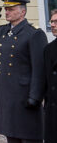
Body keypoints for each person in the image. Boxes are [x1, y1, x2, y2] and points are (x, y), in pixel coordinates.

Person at [0, 0, 47, 143]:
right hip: (6, 95)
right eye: (6, 9)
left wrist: (35, 97)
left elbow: (39, 68)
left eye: (11, 9)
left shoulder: (34, 33)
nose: (7, 12)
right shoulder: (2, 31)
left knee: (29, 137)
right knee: (11, 137)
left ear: (22, 12)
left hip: (24, 96)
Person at [45, 9, 57, 143]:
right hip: (52, 113)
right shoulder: (48, 49)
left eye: (56, 22)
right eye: (52, 21)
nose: (52, 25)